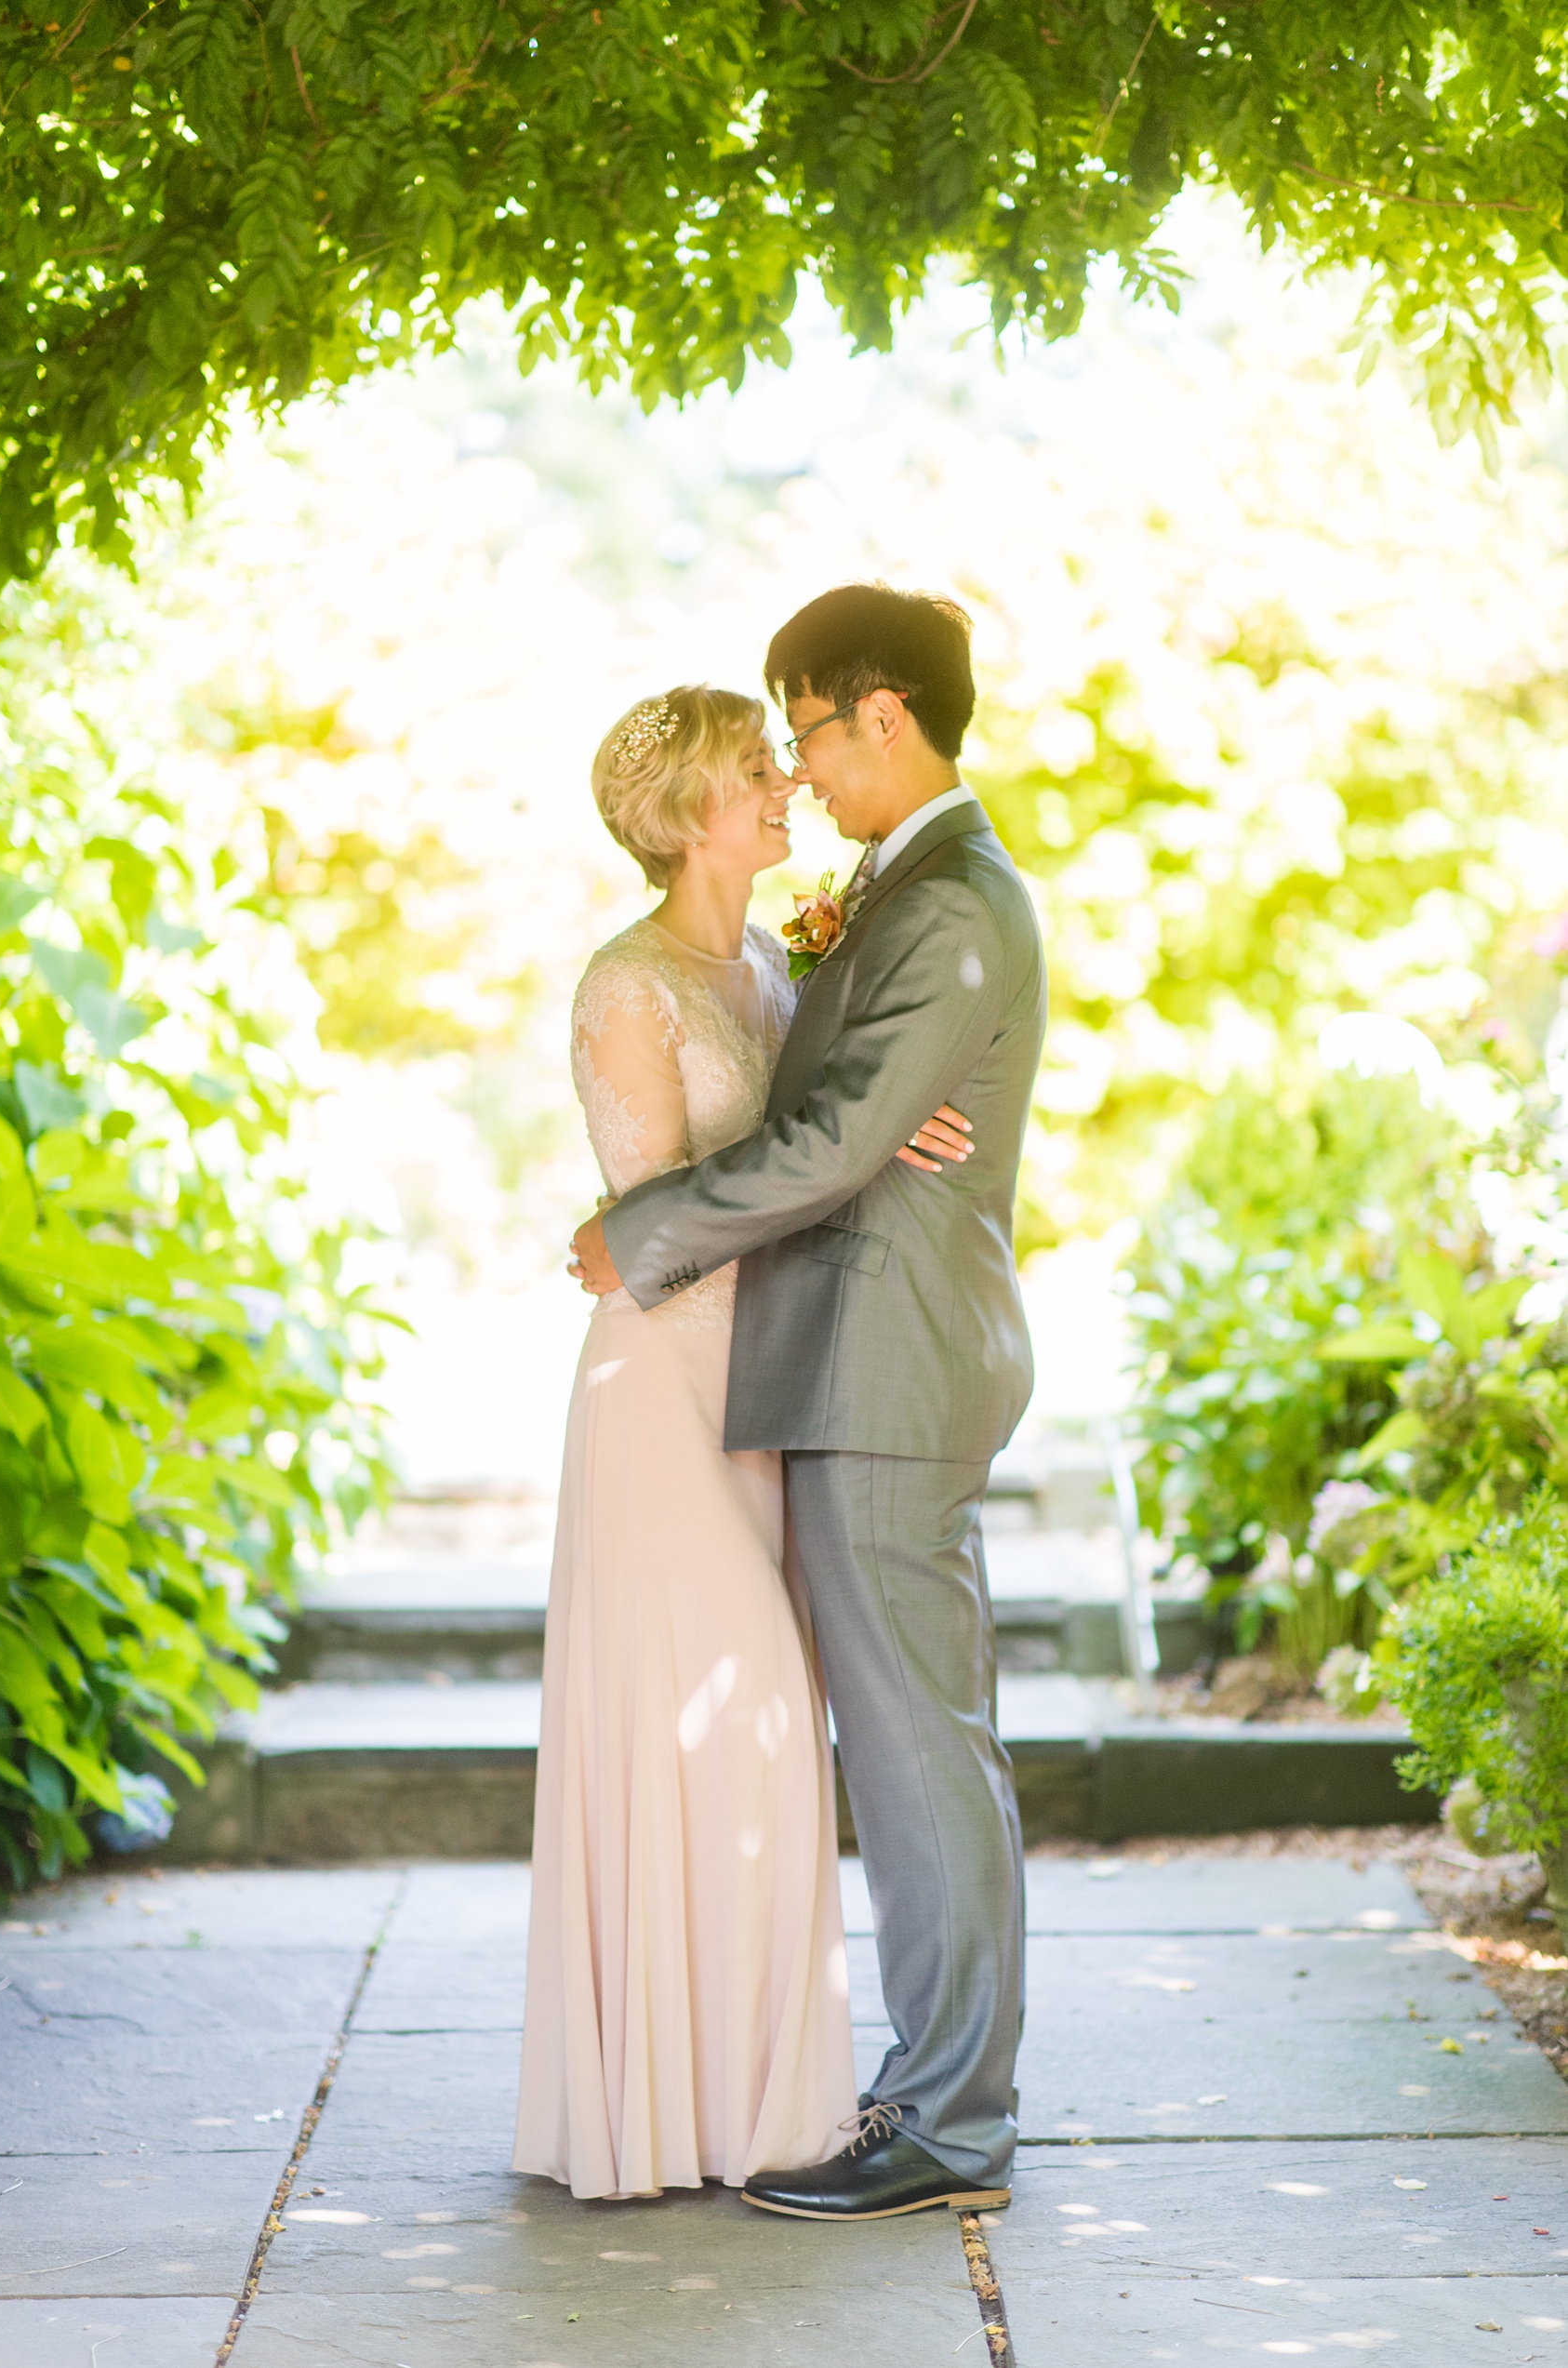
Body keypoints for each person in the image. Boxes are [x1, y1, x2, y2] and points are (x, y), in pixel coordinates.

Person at [570, 584, 1046, 2220]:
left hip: (888, 1360)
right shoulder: (901, 898)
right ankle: (933, 2094)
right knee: (917, 1746)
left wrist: (636, 1234)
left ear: (882, 714)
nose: (804, 771)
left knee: (920, 1752)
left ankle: (950, 2125)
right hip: (846, 1353)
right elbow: (842, 1114)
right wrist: (856, 1108)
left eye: (814, 733)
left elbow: (837, 1140)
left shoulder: (952, 906)